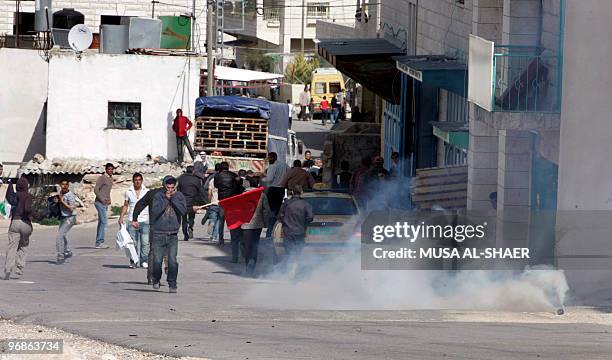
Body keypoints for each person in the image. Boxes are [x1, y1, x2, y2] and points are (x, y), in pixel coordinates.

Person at [133, 176, 187, 293]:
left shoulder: (179, 196)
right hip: (158, 233)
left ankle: (172, 283)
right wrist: (166, 200)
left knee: (172, 260)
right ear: (164, 186)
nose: (170, 190)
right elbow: (155, 211)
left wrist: (173, 200)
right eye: (168, 187)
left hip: (172, 234)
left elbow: (183, 211)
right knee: (157, 260)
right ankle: (155, 278)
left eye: (172, 188)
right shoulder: (158, 196)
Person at [214, 161, 245, 261]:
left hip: (222, 200)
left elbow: (216, 186)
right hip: (232, 202)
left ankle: (221, 238)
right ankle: (237, 245)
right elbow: (240, 183)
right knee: (233, 225)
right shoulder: (233, 175)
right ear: (228, 167)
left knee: (221, 220)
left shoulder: (217, 176)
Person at [4, 177, 33, 280]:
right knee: (23, 246)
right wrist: (35, 215)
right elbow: (27, 208)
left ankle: (8, 269)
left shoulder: (15, 196)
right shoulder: (28, 196)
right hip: (25, 223)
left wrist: (10, 185)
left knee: (12, 247)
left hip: (15, 222)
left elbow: (9, 198)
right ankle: (19, 268)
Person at [119, 173, 150, 268]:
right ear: (133, 181)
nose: (137, 181)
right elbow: (125, 205)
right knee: (133, 243)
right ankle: (133, 261)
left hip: (144, 220)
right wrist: (121, 217)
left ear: (142, 180)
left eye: (139, 180)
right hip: (132, 220)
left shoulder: (147, 191)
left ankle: (144, 260)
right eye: (136, 180)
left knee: (145, 243)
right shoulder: (128, 192)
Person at [240, 188, 271, 276]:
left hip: (245, 224)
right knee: (255, 244)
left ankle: (248, 264)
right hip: (258, 224)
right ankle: (252, 263)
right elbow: (266, 210)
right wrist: (265, 223)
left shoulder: (242, 195)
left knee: (247, 245)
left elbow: (238, 209)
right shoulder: (262, 195)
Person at [278, 185, 313, 258]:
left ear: (292, 192)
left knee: (289, 254)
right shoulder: (305, 204)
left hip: (288, 232)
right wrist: (304, 224)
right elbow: (310, 217)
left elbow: (280, 216)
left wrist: (285, 223)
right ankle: (296, 267)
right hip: (300, 232)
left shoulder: (286, 203)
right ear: (301, 192)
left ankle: (290, 267)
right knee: (298, 253)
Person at [263, 152, 289, 240]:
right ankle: (276, 229)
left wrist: (263, 178)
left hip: (273, 189)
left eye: (270, 158)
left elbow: (269, 179)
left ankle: (269, 232)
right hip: (281, 189)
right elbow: (289, 173)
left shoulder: (272, 167)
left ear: (274, 158)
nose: (269, 160)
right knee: (277, 210)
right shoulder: (284, 165)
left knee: (271, 211)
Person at [177, 166, 207, 241]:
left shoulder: (181, 178)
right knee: (191, 217)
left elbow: (178, 189)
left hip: (183, 202)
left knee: (184, 218)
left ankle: (185, 234)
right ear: (193, 171)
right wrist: (205, 202)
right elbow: (201, 191)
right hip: (193, 202)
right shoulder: (196, 180)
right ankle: (190, 227)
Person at [56, 179, 77, 265]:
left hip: (70, 218)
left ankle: (60, 256)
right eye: (62, 184)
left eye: (66, 185)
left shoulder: (70, 195)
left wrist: (62, 202)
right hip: (63, 217)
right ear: (60, 185)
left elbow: (72, 208)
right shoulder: (60, 194)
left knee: (59, 236)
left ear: (68, 186)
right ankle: (67, 251)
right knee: (62, 235)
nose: (64, 186)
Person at [94, 163, 114, 249]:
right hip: (99, 202)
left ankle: (98, 242)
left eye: (112, 169)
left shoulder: (111, 179)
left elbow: (107, 191)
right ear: (106, 169)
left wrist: (109, 199)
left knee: (101, 222)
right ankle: (100, 242)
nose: (111, 171)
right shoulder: (102, 178)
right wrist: (102, 199)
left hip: (105, 203)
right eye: (109, 169)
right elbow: (96, 189)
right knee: (104, 221)